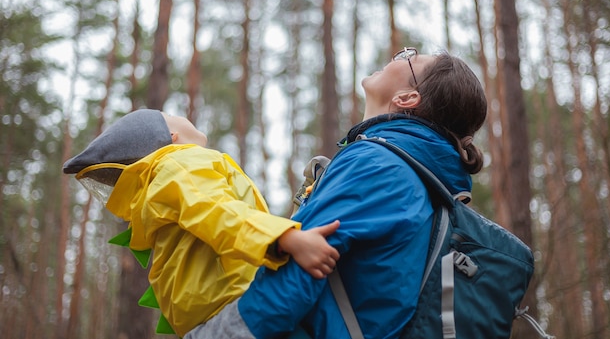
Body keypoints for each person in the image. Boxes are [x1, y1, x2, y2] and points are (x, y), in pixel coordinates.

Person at [185, 47, 488, 339]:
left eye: (409, 58)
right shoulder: (420, 177)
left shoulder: (378, 163)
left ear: (407, 98)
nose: (398, 55)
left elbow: (302, 267)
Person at [62, 109, 340, 337]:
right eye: (170, 114)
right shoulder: (179, 163)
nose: (181, 115)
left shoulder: (159, 182)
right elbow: (214, 210)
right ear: (173, 136)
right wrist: (285, 238)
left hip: (207, 322)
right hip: (236, 308)